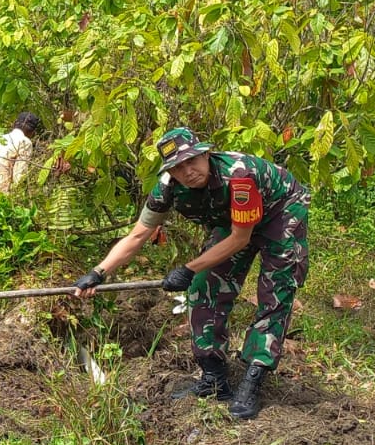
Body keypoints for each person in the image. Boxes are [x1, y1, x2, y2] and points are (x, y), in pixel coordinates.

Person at [73, 129, 310, 420]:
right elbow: (138, 235)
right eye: (178, 167)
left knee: (275, 291)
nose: (188, 171)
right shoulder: (168, 187)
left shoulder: (240, 178)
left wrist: (187, 268)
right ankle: (214, 379)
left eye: (192, 161)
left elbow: (240, 239)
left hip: (280, 211)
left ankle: (253, 377)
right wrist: (98, 273)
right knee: (204, 286)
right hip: (233, 220)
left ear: (205, 154)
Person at [0, 112, 38, 193]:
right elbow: (19, 176)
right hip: (1, 195)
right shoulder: (25, 142)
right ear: (32, 132)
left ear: (14, 124)